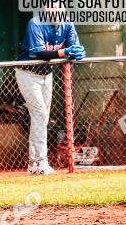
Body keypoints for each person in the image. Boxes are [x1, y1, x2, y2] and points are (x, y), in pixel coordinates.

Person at [15, 10, 85, 175]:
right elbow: (40, 53)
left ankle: (34, 164)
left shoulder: (67, 23)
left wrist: (77, 52)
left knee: (42, 118)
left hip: (47, 74)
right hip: (27, 73)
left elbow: (73, 46)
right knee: (39, 115)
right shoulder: (36, 22)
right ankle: (41, 162)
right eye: (52, 6)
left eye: (59, 6)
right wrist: (64, 52)